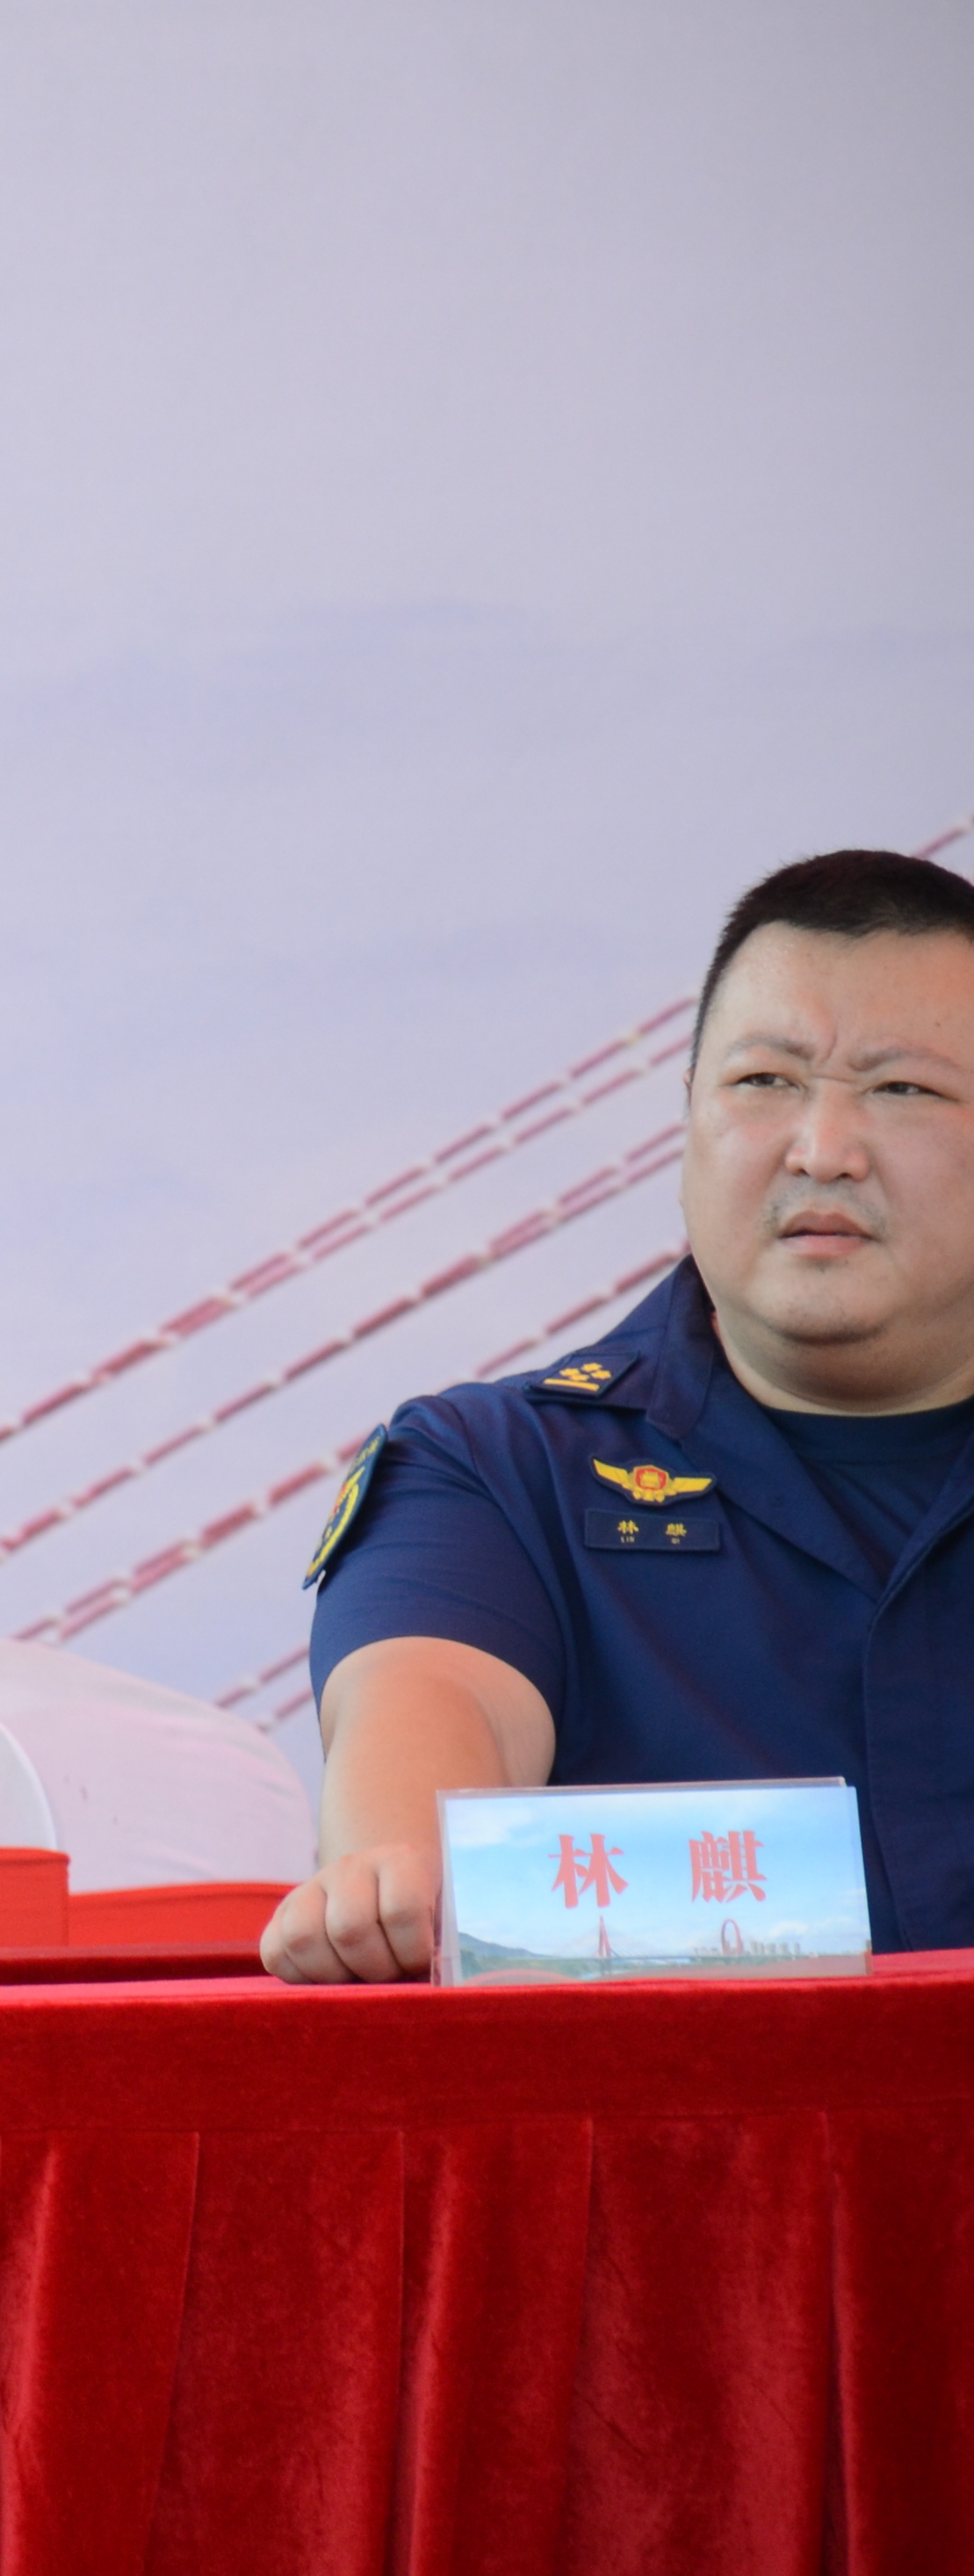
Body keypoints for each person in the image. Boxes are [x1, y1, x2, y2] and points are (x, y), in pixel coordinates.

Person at [265, 847, 974, 1982]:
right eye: (764, 1082)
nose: (822, 1151)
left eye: (904, 1091)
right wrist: (395, 1880)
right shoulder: (496, 1474)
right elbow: (432, 1731)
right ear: (686, 1120)